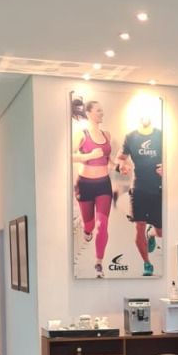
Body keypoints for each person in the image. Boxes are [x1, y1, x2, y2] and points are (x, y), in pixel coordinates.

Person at [72, 99, 118, 278]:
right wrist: (88, 156)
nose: (102, 113)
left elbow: (108, 161)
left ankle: (99, 262)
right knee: (90, 225)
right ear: (89, 113)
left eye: (102, 110)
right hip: (84, 185)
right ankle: (86, 231)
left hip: (103, 185)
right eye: (98, 111)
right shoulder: (81, 134)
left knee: (102, 225)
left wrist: (119, 167)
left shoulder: (107, 135)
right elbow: (69, 155)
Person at [118, 113, 163, 277]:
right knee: (139, 226)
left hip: (158, 188)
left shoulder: (161, 135)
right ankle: (147, 263)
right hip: (138, 188)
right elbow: (121, 157)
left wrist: (167, 167)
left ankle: (151, 234)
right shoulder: (131, 137)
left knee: (161, 231)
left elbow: (174, 157)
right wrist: (122, 166)